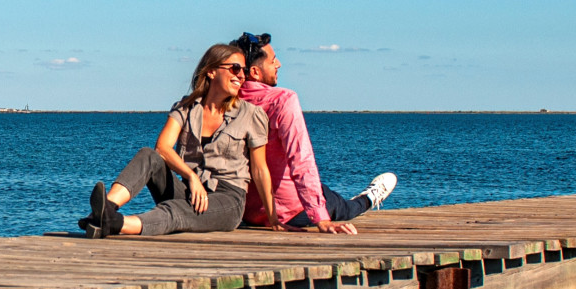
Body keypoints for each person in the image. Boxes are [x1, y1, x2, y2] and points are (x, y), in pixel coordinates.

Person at [79, 43, 279, 238]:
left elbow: (260, 170)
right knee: (148, 156)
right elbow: (163, 148)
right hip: (190, 191)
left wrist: (273, 218)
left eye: (243, 70)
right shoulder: (186, 107)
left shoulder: (250, 114)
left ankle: (114, 223)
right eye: (235, 69)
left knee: (176, 210)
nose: (241, 75)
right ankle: (105, 209)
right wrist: (191, 177)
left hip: (227, 200)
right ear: (211, 71)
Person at [231, 32, 397, 234]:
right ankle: (369, 199)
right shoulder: (283, 100)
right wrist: (320, 218)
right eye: (273, 60)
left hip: (242, 211)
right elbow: (300, 158)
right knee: (342, 206)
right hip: (287, 212)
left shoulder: (225, 98)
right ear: (255, 72)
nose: (279, 64)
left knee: (323, 190)